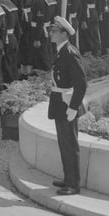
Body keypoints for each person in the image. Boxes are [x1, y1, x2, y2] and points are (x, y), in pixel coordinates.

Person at [47, 15, 88, 195]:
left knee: (70, 144)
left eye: (54, 31)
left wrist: (73, 107)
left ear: (64, 34)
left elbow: (81, 83)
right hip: (60, 102)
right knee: (64, 143)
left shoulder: (69, 53)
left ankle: (73, 184)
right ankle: (67, 178)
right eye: (51, 30)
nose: (51, 33)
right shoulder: (61, 50)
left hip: (67, 104)